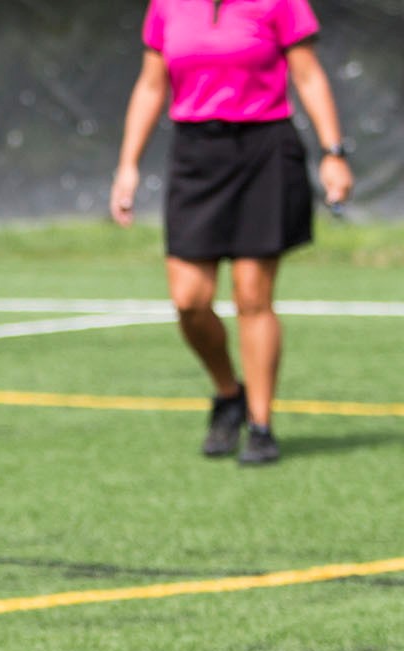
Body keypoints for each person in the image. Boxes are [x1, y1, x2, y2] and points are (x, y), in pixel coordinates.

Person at [111, 0, 353, 466]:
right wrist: (127, 166)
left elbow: (308, 76)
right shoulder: (166, 6)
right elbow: (150, 85)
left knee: (252, 296)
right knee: (189, 300)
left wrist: (333, 152)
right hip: (195, 154)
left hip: (264, 150)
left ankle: (261, 426)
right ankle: (229, 392)